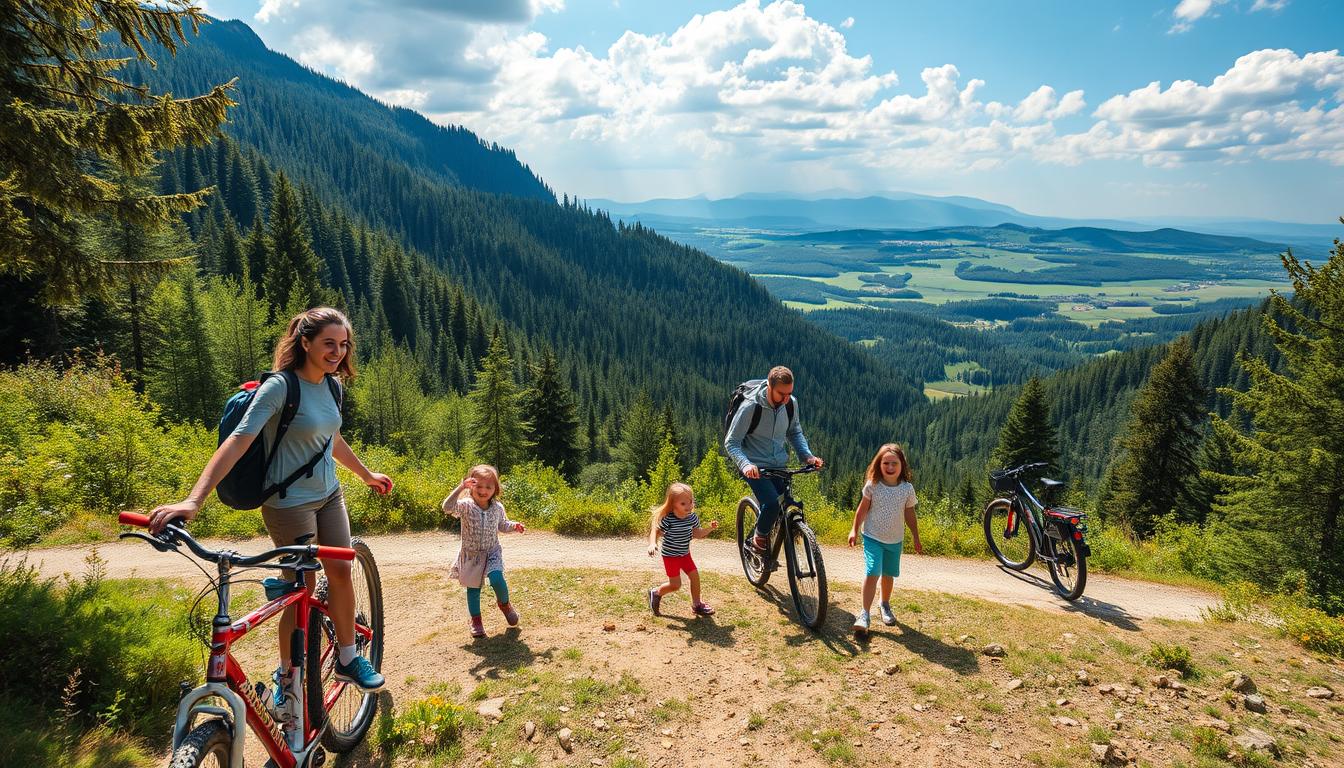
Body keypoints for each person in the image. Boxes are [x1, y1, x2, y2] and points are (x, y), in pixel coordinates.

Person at [148, 307, 393, 695]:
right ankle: (288, 677)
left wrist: (365, 474)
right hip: (289, 504)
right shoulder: (280, 388)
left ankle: (348, 658)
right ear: (306, 342)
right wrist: (194, 501)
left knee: (342, 573)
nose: (337, 352)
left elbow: (330, 439)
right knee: (301, 592)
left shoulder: (332, 386)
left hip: (329, 496)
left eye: (343, 345)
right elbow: (238, 441)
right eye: (329, 343)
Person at [723, 366, 823, 552]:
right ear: (769, 386)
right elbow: (732, 442)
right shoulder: (751, 407)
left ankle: (762, 535)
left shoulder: (791, 404)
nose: (786, 399)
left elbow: (794, 432)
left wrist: (807, 456)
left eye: (789, 393)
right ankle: (757, 541)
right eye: (781, 394)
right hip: (754, 466)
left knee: (780, 508)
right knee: (771, 504)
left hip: (779, 465)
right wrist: (745, 465)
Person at [847, 443, 922, 637]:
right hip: (872, 536)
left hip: (895, 540)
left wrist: (915, 536)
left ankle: (884, 604)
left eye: (894, 463)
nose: (890, 467)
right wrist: (854, 530)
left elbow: (910, 514)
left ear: (902, 465)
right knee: (873, 571)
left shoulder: (907, 489)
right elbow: (862, 509)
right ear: (879, 464)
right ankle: (864, 614)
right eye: (886, 463)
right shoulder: (873, 485)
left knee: (888, 574)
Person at [442, 464, 525, 638]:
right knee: (473, 589)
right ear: (471, 486)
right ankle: (476, 621)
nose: (483, 490)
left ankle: (505, 605)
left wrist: (514, 526)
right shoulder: (465, 506)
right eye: (478, 486)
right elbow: (447, 507)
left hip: (492, 551)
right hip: (471, 554)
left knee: (497, 578)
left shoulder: (497, 507)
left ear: (495, 489)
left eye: (488, 487)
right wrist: (460, 487)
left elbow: (502, 524)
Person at [646, 482, 719, 616]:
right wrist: (652, 544)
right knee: (675, 585)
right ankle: (655, 592)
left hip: (685, 554)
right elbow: (655, 531)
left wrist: (710, 528)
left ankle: (697, 604)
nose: (688, 506)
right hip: (670, 557)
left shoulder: (692, 518)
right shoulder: (669, 519)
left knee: (695, 576)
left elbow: (697, 534)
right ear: (673, 504)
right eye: (683, 504)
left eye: (690, 502)